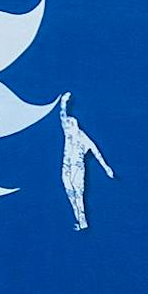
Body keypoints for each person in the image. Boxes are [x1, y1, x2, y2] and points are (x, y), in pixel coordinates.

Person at [59, 93, 113, 231]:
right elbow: (62, 115)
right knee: (69, 192)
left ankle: (83, 222)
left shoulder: (83, 138)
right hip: (66, 166)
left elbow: (96, 153)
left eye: (70, 124)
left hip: (77, 167)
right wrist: (63, 102)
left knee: (78, 194)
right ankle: (78, 219)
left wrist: (106, 168)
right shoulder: (68, 134)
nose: (68, 125)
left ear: (75, 125)